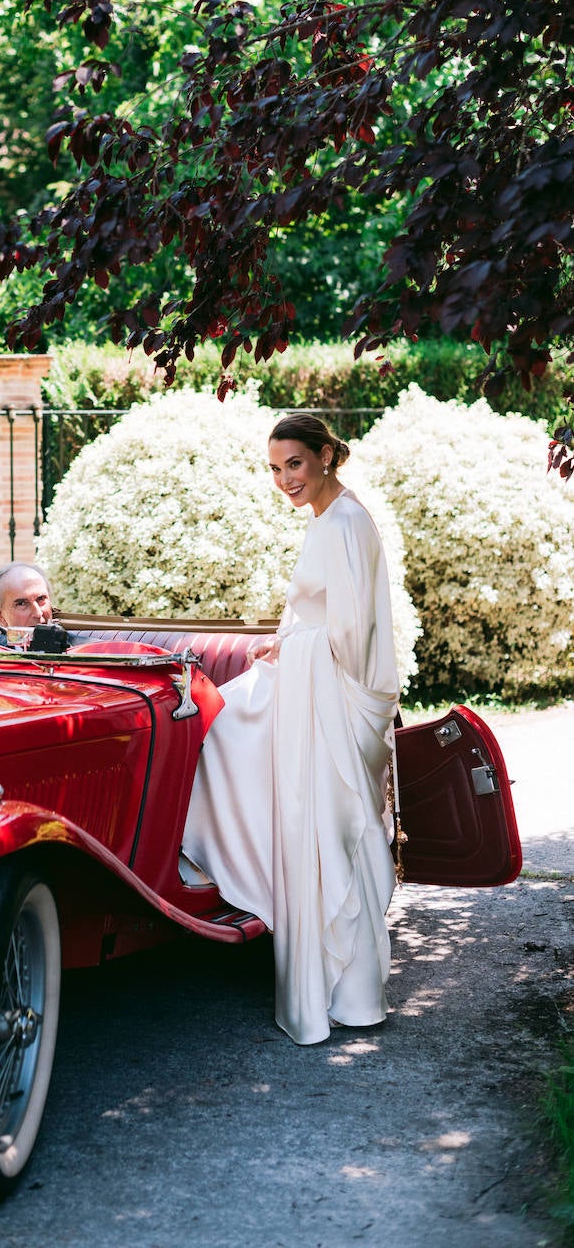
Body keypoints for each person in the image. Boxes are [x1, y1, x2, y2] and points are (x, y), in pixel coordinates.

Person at [182, 413, 400, 1046]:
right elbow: (327, 614)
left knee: (226, 732)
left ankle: (220, 870)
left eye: (295, 465)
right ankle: (234, 876)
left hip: (335, 695)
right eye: (274, 469)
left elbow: (352, 641)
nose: (284, 480)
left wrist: (295, 650)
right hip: (315, 679)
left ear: (327, 455)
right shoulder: (329, 518)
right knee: (233, 735)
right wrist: (286, 646)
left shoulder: (347, 522)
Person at [0, 562, 54, 631]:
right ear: (0, 615)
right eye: (21, 603)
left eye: (41, 599)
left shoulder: (64, 637)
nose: (38, 613)